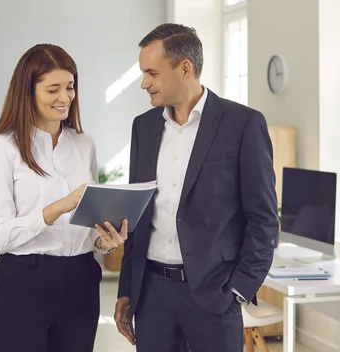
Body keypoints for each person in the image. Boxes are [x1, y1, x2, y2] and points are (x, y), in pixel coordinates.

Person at [114, 24, 279, 352]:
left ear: (185, 68)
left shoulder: (243, 124)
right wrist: (127, 290)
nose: (145, 83)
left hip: (215, 295)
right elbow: (139, 215)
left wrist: (239, 290)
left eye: (152, 73)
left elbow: (264, 219)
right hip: (152, 296)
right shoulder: (143, 128)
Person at [0, 43, 128, 352]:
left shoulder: (84, 144)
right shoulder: (2, 147)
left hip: (81, 280)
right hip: (22, 283)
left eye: (70, 87)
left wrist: (102, 241)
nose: (65, 98)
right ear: (28, 92)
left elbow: (86, 227)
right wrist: (60, 206)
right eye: (53, 89)